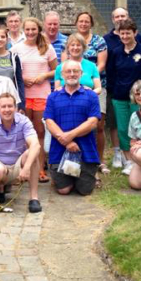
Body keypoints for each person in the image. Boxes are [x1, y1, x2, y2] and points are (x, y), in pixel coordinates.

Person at [106, 18, 141, 174]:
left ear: (135, 33)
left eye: (128, 33)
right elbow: (111, 74)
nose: (125, 36)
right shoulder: (115, 52)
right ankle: (128, 160)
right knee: (123, 129)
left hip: (139, 97)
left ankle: (140, 159)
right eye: (122, 33)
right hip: (120, 97)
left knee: (139, 128)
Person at [45, 60, 101, 196]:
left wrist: (70, 135)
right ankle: (64, 178)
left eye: (75, 71)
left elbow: (93, 122)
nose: (72, 74)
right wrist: (67, 142)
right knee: (64, 190)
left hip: (85, 152)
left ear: (81, 74)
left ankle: (81, 176)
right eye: (68, 71)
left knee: (84, 191)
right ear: (62, 75)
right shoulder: (53, 97)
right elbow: (49, 122)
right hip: (60, 150)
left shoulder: (91, 96)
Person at [11, 17, 57, 183]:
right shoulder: (16, 48)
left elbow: (56, 70)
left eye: (33, 29)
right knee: (22, 132)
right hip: (23, 96)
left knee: (39, 131)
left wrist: (43, 76)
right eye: (27, 30)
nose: (30, 33)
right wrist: (23, 79)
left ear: (38, 30)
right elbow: (13, 71)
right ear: (24, 31)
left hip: (41, 94)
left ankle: (40, 168)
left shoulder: (47, 48)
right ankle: (23, 168)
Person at [73, 11, 107, 166]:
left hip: (96, 87)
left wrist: (89, 78)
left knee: (98, 125)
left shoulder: (99, 41)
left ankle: (100, 160)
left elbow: (101, 64)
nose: (83, 24)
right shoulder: (72, 40)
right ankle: (80, 158)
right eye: (81, 21)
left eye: (87, 21)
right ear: (76, 23)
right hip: (74, 88)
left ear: (91, 23)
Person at [0, 25, 25, 112]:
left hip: (10, 97)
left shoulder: (13, 57)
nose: (0, 39)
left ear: (7, 39)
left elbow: (19, 81)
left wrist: (21, 104)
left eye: (3, 37)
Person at [43, 11, 68, 89]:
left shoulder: (67, 42)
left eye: (55, 24)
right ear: (44, 24)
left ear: (59, 24)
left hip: (61, 86)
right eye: (49, 24)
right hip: (41, 85)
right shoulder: (37, 41)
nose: (52, 27)